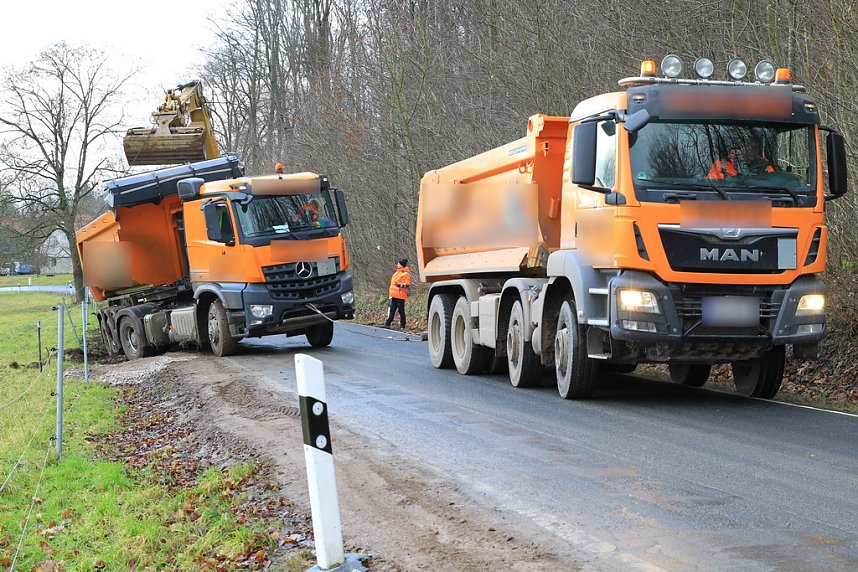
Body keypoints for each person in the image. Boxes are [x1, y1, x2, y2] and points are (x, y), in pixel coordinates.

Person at [384, 258, 412, 329]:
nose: (397, 265)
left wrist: (399, 285)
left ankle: (403, 324)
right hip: (394, 295)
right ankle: (387, 324)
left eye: (399, 264)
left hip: (400, 295)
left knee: (401, 311)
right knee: (392, 310)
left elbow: (407, 284)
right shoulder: (397, 273)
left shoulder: (406, 274)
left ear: (402, 265)